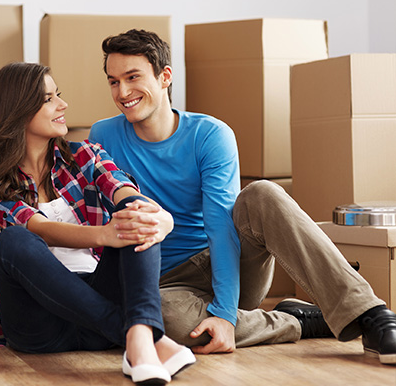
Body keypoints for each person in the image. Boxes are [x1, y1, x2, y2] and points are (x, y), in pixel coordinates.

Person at [88, 29, 396, 365]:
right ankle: (299, 321)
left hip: (227, 263)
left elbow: (221, 227)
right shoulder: (103, 135)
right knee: (159, 319)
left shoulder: (209, 134)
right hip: (163, 285)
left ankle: (370, 314)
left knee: (262, 194)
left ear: (165, 77)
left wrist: (224, 312)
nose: (123, 91)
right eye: (113, 81)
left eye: (133, 77)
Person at [0, 62, 196, 385]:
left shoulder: (85, 155)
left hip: (96, 304)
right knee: (13, 241)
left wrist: (155, 217)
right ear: (17, 111)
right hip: (38, 324)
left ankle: (139, 340)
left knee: (134, 211)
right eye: (49, 100)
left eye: (57, 95)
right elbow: (39, 228)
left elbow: (123, 190)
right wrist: (104, 234)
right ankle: (140, 335)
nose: (62, 105)